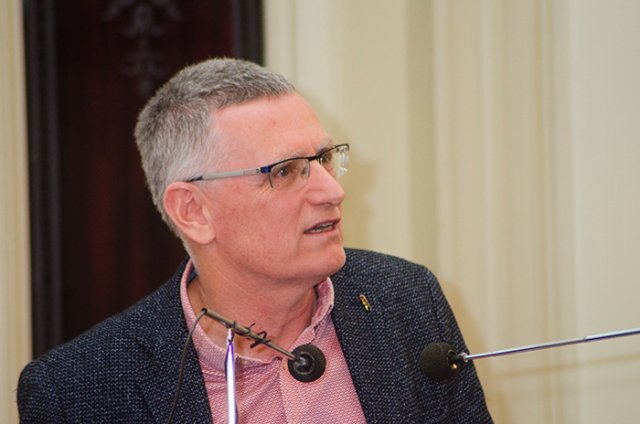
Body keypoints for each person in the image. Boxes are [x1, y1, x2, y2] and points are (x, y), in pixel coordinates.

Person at [17, 58, 493, 423]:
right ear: (193, 211)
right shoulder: (77, 391)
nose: (333, 191)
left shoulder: (406, 300)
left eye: (324, 158)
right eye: (284, 172)